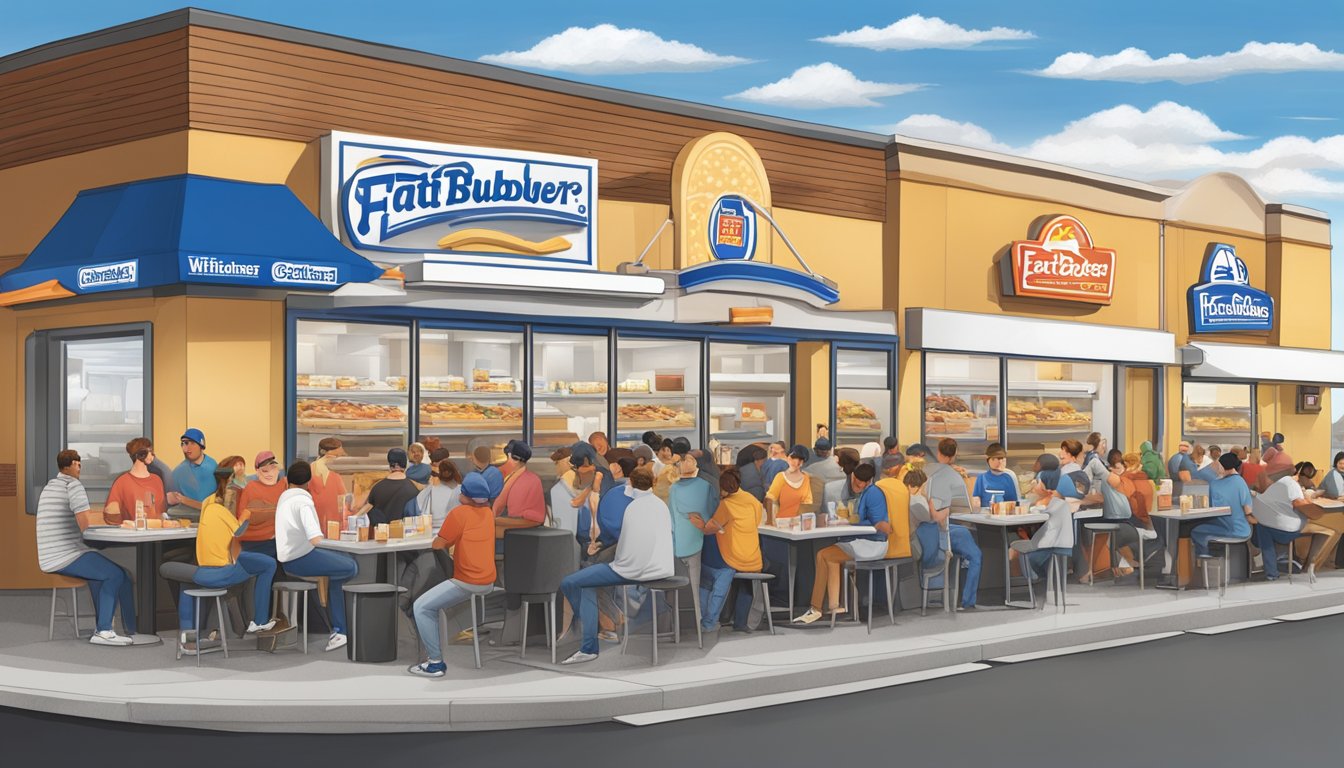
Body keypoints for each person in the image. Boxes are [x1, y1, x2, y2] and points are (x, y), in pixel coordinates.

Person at [560, 466, 673, 665]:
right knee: (588, 584)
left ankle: (587, 642)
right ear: (653, 483)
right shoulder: (661, 505)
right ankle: (590, 633)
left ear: (630, 484)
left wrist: (601, 548)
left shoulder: (631, 508)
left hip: (633, 570)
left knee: (572, 582)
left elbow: (626, 548)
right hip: (660, 567)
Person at [37, 450, 146, 646]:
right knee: (115, 575)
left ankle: (125, 629)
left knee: (115, 576)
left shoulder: (50, 486)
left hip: (49, 555)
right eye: (78, 464)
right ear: (69, 465)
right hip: (66, 554)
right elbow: (85, 528)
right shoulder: (73, 486)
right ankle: (105, 630)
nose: (80, 467)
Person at [408, 473, 499, 677]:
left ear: (463, 494)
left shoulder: (459, 514)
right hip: (488, 580)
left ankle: (435, 663)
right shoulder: (488, 513)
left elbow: (438, 544)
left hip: (467, 581)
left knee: (421, 607)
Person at [178, 467, 278, 645]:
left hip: (208, 564)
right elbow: (239, 531)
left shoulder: (208, 503)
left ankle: (234, 626)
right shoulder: (221, 510)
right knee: (268, 565)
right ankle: (258, 621)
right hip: (223, 567)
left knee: (255, 568)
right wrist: (248, 515)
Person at [275, 460, 358, 651]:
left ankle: (341, 630)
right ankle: (340, 628)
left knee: (337, 572)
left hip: (289, 557)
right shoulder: (303, 502)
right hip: (301, 557)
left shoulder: (284, 498)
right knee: (350, 566)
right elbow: (315, 539)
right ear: (310, 481)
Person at [793, 462, 889, 624]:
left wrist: (849, 523)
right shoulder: (861, 493)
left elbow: (877, 524)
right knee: (827, 555)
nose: (857, 486)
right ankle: (833, 606)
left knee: (824, 554)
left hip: (872, 544)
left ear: (868, 481)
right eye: (855, 482)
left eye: (860, 484)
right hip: (859, 541)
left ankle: (817, 608)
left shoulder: (874, 493)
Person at [693, 467, 765, 632]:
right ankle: (740, 623)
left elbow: (709, 528)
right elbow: (757, 521)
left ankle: (707, 621)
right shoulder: (753, 501)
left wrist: (696, 521)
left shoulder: (725, 506)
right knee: (745, 585)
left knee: (709, 579)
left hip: (732, 557)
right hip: (753, 558)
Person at [924, 438, 981, 610]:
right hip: (943, 530)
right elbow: (967, 507)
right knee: (975, 555)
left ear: (939, 453)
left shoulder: (930, 473)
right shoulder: (954, 477)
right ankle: (968, 601)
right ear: (955, 454)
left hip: (926, 530)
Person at [667, 454, 715, 620]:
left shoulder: (673, 488)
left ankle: (677, 622)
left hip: (677, 542)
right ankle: (697, 621)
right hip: (695, 540)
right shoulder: (706, 486)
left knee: (676, 586)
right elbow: (709, 515)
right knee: (694, 583)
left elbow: (672, 516)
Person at [1009, 468, 1076, 582]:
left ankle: (1040, 580)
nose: (1035, 484)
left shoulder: (1050, 502)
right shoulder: (1058, 500)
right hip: (1058, 543)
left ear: (1047, 488)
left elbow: (1045, 525)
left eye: (1039, 482)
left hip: (1054, 545)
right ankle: (1044, 580)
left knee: (1030, 555)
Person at [1189, 453, 1253, 561]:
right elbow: (1248, 510)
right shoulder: (1240, 483)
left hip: (1230, 527)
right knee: (1197, 530)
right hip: (1238, 528)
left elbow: (1208, 505)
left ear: (1224, 466)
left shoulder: (1215, 483)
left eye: (1218, 464)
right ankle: (1206, 557)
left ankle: (1204, 557)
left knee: (1196, 531)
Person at [235, 451, 288, 558]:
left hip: (279, 542)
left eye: (273, 469)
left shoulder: (284, 485)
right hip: (255, 543)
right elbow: (242, 519)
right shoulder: (251, 488)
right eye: (265, 471)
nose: (270, 474)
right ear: (257, 472)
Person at [493, 440, 546, 545]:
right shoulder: (518, 476)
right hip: (524, 521)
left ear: (514, 459)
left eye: (507, 457)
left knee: (486, 529)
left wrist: (493, 518)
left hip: (526, 523)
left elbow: (515, 513)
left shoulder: (527, 480)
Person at [104, 437, 167, 525]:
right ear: (140, 454)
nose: (152, 454)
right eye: (149, 451)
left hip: (156, 533)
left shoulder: (157, 480)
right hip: (131, 535)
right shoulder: (122, 482)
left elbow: (161, 511)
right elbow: (111, 517)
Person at [357, 448, 418, 526]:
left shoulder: (377, 488)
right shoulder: (413, 489)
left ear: (390, 464)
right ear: (405, 464)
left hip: (381, 535)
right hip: (405, 534)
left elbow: (367, 509)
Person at [169, 427, 217, 513]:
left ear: (201, 446)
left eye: (192, 443)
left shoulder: (213, 468)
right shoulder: (179, 472)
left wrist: (184, 500)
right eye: (184, 443)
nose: (187, 448)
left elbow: (210, 505)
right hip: (186, 518)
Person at [764, 445, 814, 522]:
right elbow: (770, 499)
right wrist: (770, 521)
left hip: (799, 523)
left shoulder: (806, 478)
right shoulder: (780, 477)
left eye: (800, 460)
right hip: (781, 522)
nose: (795, 462)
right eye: (792, 458)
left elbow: (807, 503)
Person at [309, 437, 349, 532]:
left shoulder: (312, 467)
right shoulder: (334, 475)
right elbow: (344, 498)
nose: (342, 455)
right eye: (338, 454)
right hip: (330, 517)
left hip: (319, 517)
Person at [972, 443, 1019, 509]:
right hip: (985, 515)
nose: (1000, 462)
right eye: (995, 459)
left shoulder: (1008, 479)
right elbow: (976, 499)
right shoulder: (981, 478)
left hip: (1003, 515)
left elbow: (1012, 502)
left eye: (1002, 459)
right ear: (988, 460)